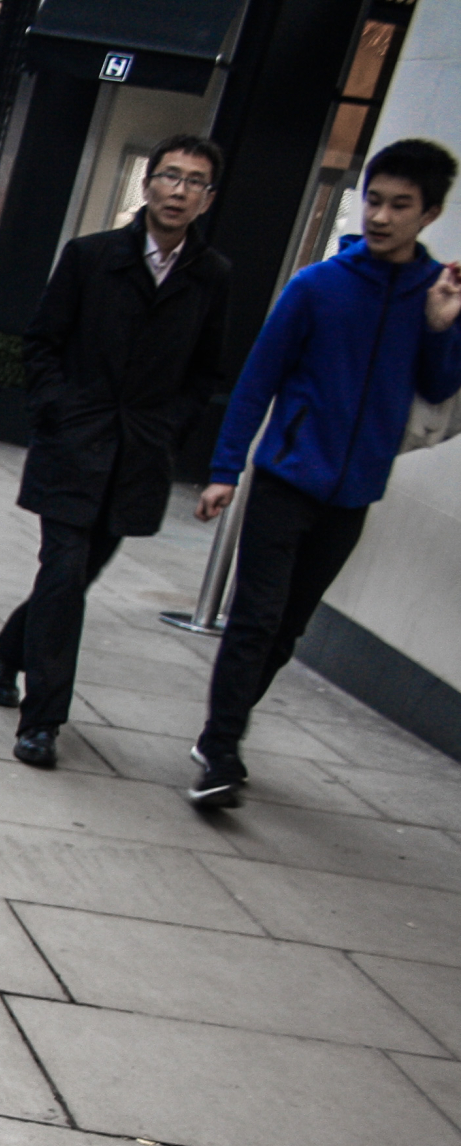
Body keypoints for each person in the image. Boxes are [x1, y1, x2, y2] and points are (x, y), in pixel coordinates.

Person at [185, 138, 461, 808]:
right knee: (254, 618)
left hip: (354, 493)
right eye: (374, 199)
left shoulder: (436, 294)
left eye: (400, 205)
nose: (381, 216)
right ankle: (220, 750)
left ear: (429, 214)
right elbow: (257, 380)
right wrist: (226, 469)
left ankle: (220, 726)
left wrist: (440, 326)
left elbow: (440, 383)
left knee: (287, 629)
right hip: (286, 478)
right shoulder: (317, 287)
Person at [0, 136, 233, 768]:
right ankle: (42, 722)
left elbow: (206, 374)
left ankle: (8, 650)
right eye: (169, 176)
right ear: (147, 185)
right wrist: (58, 412)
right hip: (74, 445)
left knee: (76, 577)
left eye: (193, 181)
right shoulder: (90, 257)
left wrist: (170, 429)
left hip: (137, 458)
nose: (178, 190)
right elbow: (42, 343)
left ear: (207, 199)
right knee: (64, 575)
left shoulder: (212, 278)